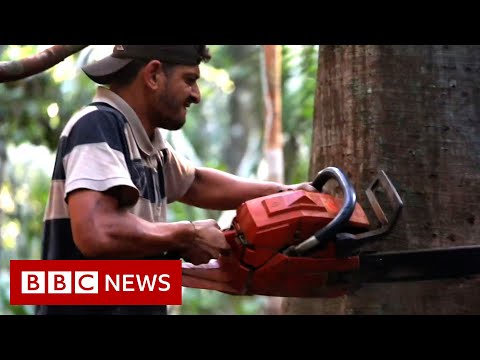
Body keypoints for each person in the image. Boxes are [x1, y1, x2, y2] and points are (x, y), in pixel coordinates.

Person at [36, 45, 316, 315]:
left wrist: (286, 194)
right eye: (190, 80)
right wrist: (188, 233)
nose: (196, 95)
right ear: (153, 75)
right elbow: (97, 231)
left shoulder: (149, 146)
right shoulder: (96, 124)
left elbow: (195, 183)